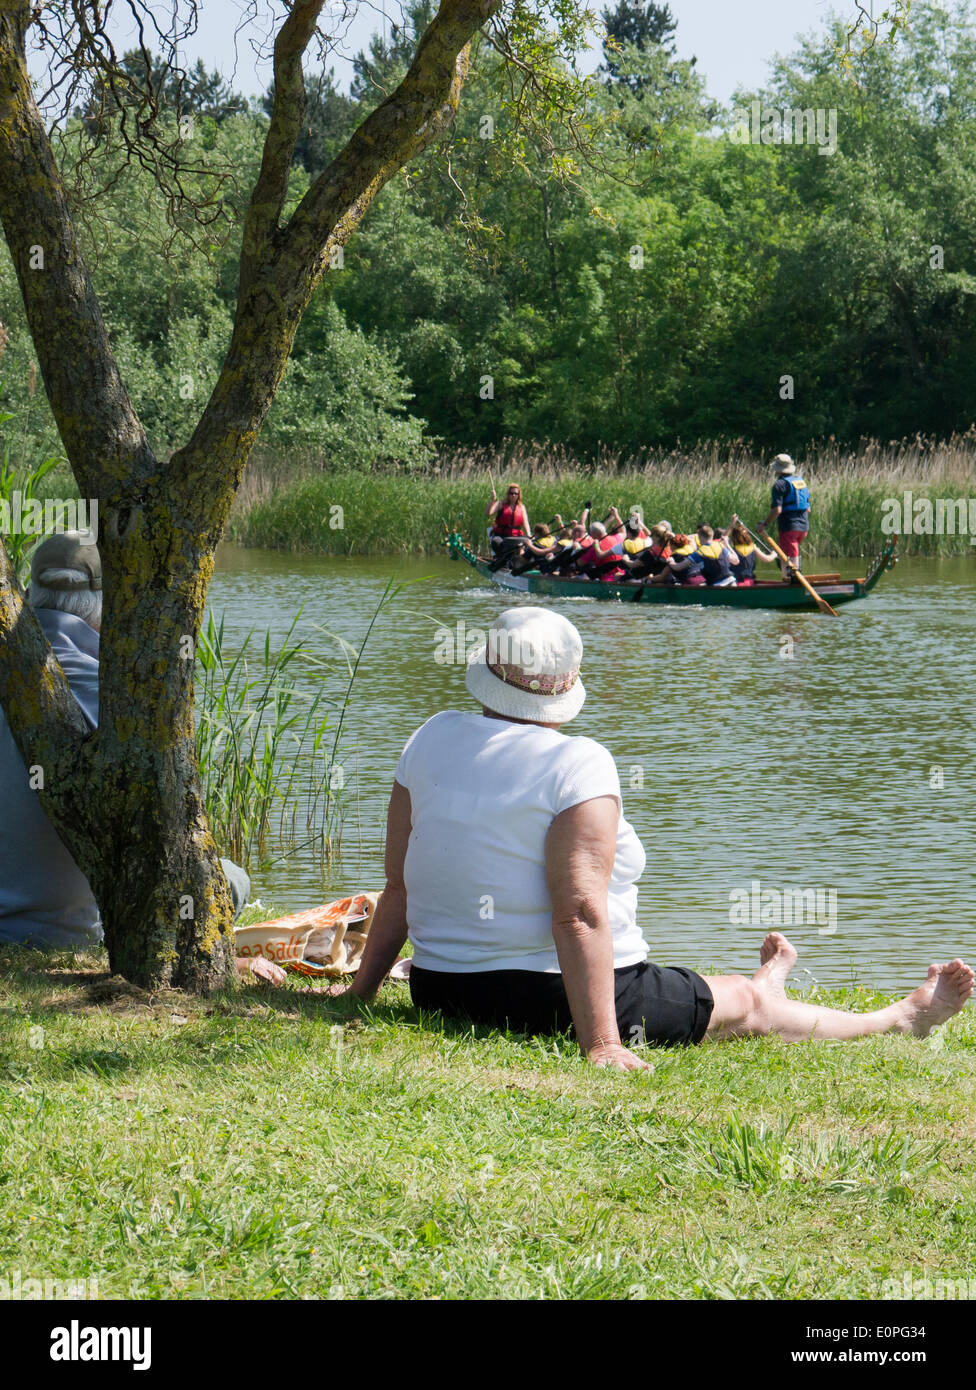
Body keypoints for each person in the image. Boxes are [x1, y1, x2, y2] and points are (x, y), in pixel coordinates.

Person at [330, 607, 973, 1070]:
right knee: (747, 1006)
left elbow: (401, 882)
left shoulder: (430, 736)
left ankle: (760, 984)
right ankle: (899, 1018)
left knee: (706, 988)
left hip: (443, 986)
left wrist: (360, 993)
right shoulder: (578, 763)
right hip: (553, 999)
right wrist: (602, 1045)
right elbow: (579, 913)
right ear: (567, 686)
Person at [0, 531, 277, 982]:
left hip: (6, 929)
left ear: (28, 597)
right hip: (82, 936)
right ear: (110, 606)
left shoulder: (12, 684)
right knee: (233, 878)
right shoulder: (124, 708)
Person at [759, 454, 810, 579]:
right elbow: (808, 508)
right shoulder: (801, 481)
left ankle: (791, 580)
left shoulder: (779, 485)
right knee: (790, 553)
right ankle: (791, 577)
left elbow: (777, 510)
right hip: (804, 527)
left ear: (777, 470)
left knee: (788, 554)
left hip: (789, 527)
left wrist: (764, 524)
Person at [486, 483, 529, 569]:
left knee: (523, 546)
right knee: (496, 542)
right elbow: (488, 513)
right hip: (501, 535)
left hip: (515, 536)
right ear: (508, 494)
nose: (513, 495)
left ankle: (521, 565)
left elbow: (525, 523)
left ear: (518, 495)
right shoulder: (500, 504)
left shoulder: (521, 507)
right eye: (511, 493)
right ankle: (502, 561)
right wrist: (493, 500)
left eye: (516, 494)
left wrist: (528, 534)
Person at [729, 519, 778, 585]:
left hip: (735, 583)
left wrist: (732, 523)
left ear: (733, 538)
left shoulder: (732, 550)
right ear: (747, 536)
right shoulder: (753, 547)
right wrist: (774, 554)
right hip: (749, 582)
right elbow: (767, 559)